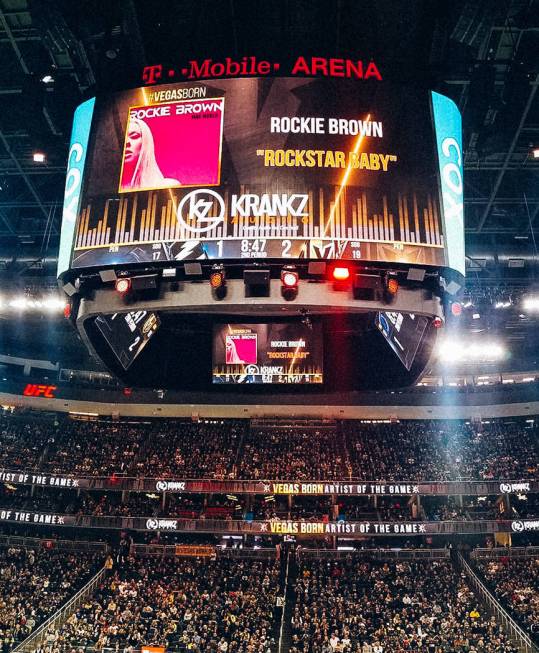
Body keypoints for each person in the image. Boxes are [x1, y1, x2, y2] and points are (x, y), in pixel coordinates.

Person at [121, 117, 180, 190]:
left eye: (134, 136)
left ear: (146, 142)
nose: (126, 142)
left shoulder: (167, 185)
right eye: (122, 139)